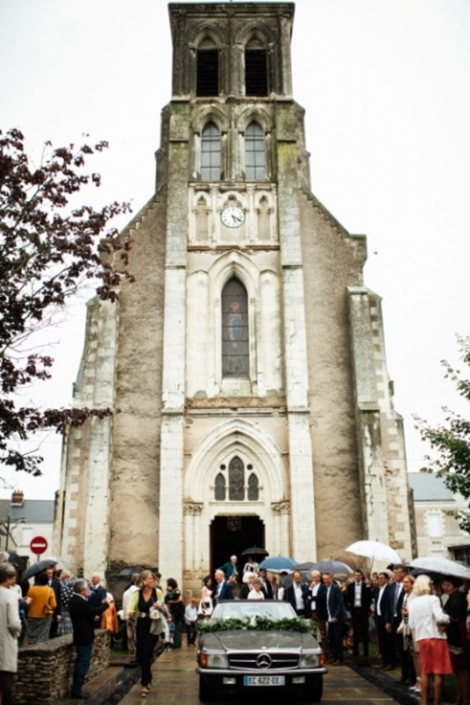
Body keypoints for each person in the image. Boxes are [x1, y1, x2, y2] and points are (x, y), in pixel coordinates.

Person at [68, 578, 109, 699]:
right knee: (83, 662)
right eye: (86, 589)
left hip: (82, 633)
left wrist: (92, 618)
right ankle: (76, 689)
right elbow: (93, 611)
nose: (87, 591)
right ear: (82, 590)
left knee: (82, 661)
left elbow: (84, 615)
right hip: (83, 635)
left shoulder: (76, 600)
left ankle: (77, 688)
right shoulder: (79, 601)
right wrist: (106, 604)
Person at [128, 571, 163, 697]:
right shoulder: (137, 594)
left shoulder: (157, 592)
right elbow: (131, 607)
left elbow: (163, 605)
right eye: (150, 578)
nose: (152, 580)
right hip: (141, 625)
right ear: (144, 581)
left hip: (153, 625)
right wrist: (131, 611)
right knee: (142, 655)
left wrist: (160, 607)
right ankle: (148, 676)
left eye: (153, 578)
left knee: (147, 652)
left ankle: (144, 684)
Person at [442, 577, 469, 705]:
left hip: (457, 637)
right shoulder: (453, 597)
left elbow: (456, 617)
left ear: (456, 586)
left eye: (448, 585)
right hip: (454, 636)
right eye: (444, 585)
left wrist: (445, 618)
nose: (446, 587)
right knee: (457, 670)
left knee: (460, 670)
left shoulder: (457, 598)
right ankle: (460, 696)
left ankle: (464, 698)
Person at [0, 563, 21, 705]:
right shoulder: (11, 595)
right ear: (8, 578)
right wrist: (19, 628)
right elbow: (13, 623)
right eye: (13, 579)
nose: (14, 583)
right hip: (4, 643)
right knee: (5, 684)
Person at [346, 569, 372, 658]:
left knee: (365, 631)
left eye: (359, 575)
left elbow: (369, 599)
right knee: (355, 631)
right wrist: (349, 607)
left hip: (363, 610)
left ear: (361, 576)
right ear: (354, 576)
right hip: (354, 610)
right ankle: (356, 650)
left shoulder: (366, 586)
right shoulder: (350, 586)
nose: (357, 577)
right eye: (356, 575)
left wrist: (369, 589)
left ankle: (365, 651)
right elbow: (348, 597)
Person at [24, 573, 57, 645]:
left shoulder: (31, 589)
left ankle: (25, 651)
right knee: (42, 635)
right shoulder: (50, 590)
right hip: (44, 616)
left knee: (29, 634)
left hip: (32, 614)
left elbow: (27, 602)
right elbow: (54, 605)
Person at [322, 572, 347, 665]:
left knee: (337, 638)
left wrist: (336, 616)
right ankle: (335, 656)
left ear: (331, 579)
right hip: (329, 617)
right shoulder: (326, 589)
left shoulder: (335, 588)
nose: (325, 581)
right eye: (324, 579)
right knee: (331, 638)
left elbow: (341, 603)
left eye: (327, 579)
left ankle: (340, 658)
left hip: (336, 618)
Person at [372, 571, 392, 670]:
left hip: (386, 618)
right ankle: (384, 661)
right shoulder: (377, 590)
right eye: (378, 578)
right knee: (382, 641)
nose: (380, 580)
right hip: (378, 618)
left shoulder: (389, 590)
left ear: (387, 579)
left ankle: (390, 662)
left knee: (388, 641)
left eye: (382, 578)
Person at [308, 570, 328, 655]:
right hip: (312, 612)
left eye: (316, 577)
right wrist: (310, 588)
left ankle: (324, 652)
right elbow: (304, 595)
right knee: (312, 633)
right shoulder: (311, 586)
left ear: (319, 578)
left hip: (320, 612)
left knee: (322, 633)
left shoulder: (323, 587)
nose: (314, 579)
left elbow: (322, 597)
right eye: (313, 577)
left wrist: (312, 598)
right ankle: (313, 651)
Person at [165, 578, 184, 649]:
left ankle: (176, 643)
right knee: (173, 627)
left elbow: (180, 600)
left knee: (175, 627)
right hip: (171, 611)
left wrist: (171, 602)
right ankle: (174, 642)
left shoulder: (176, 591)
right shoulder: (170, 592)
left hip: (176, 612)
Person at [45, 566, 62, 638]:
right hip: (44, 610)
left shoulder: (57, 584)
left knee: (53, 631)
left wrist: (59, 613)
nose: (50, 575)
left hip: (54, 610)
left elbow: (59, 599)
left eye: (51, 573)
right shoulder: (42, 583)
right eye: (48, 573)